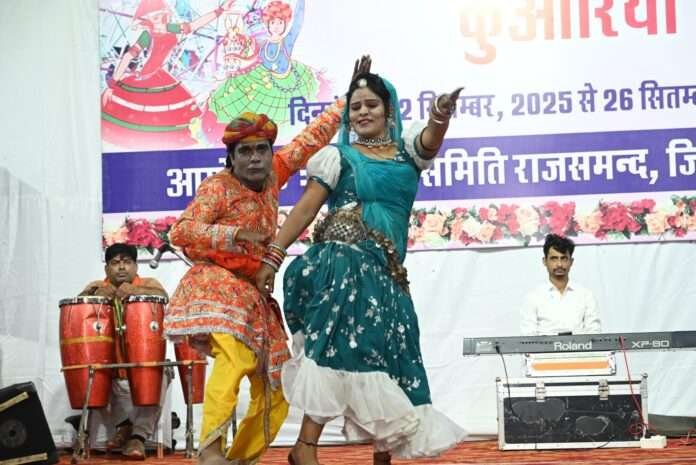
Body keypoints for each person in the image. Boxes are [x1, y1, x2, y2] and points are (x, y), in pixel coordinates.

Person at [162, 56, 369, 465]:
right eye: (245, 152)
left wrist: (349, 98)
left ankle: (239, 459)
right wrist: (234, 235)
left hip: (255, 293)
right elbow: (180, 232)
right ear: (231, 158)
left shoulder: (275, 172)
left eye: (261, 150)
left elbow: (312, 138)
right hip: (216, 284)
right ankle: (209, 450)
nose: (255, 158)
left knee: (278, 386)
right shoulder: (218, 188)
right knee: (235, 359)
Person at [255, 71, 467, 465]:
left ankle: (382, 456)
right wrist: (274, 254)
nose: (363, 112)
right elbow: (306, 207)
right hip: (343, 265)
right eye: (355, 107)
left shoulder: (407, 154)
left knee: (389, 354)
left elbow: (430, 140)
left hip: (386, 272)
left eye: (371, 104)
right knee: (337, 347)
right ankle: (305, 447)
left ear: (389, 110)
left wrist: (440, 115)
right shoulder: (340, 157)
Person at [79, 243, 168, 460]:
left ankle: (138, 437)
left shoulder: (149, 284)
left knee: (161, 371)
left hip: (142, 363)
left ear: (136, 267)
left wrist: (134, 291)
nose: (121, 267)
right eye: (115, 263)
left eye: (127, 262)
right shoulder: (97, 286)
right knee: (93, 373)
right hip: (110, 363)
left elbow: (163, 297)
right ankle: (123, 426)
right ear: (106, 269)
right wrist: (99, 297)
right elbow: (79, 305)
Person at [520, 234, 602, 336]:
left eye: (564, 258)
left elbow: (594, 333)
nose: (559, 264)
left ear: (571, 262)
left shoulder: (586, 295)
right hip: (545, 347)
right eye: (554, 258)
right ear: (544, 261)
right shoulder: (533, 297)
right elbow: (528, 336)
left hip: (579, 346)